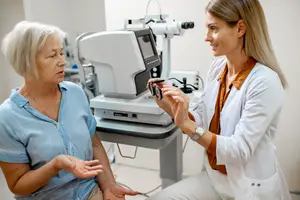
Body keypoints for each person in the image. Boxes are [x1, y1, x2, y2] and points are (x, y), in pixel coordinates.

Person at [147, 0, 291, 199]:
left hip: (250, 188)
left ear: (240, 28)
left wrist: (188, 126)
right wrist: (173, 108)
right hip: (215, 180)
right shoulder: (217, 68)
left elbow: (239, 150)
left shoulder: (265, 82)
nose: (207, 38)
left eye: (213, 29)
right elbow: (203, 117)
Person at [0, 21, 138, 200]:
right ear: (27, 62)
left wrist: (109, 185)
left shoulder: (75, 93)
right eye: (52, 56)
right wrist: (55, 165)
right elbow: (18, 186)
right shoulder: (7, 117)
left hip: (88, 191)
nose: (63, 62)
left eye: (62, 53)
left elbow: (94, 144)